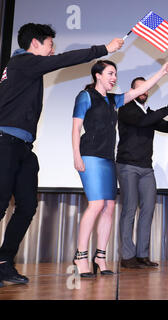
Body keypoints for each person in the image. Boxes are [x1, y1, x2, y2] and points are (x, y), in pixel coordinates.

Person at [0, 22, 123, 287]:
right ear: (35, 43)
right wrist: (105, 48)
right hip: (4, 143)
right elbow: (66, 60)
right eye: (49, 44)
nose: (52, 49)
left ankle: (4, 262)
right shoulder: (22, 63)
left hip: (22, 147)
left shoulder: (26, 69)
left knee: (27, 206)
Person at [71, 60, 168, 277]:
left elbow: (141, 89)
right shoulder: (85, 96)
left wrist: (161, 73)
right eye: (110, 73)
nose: (114, 78)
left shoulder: (113, 100)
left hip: (108, 158)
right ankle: (80, 256)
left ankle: (100, 257)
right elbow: (76, 128)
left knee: (109, 207)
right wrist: (76, 156)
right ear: (98, 75)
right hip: (90, 156)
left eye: (116, 74)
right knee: (97, 204)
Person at [116, 77, 168, 269]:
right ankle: (127, 256)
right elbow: (144, 122)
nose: (144, 92)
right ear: (133, 91)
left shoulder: (149, 112)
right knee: (129, 209)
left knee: (148, 209)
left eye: (146, 90)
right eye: (140, 89)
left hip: (146, 168)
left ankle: (142, 255)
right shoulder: (126, 109)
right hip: (127, 165)